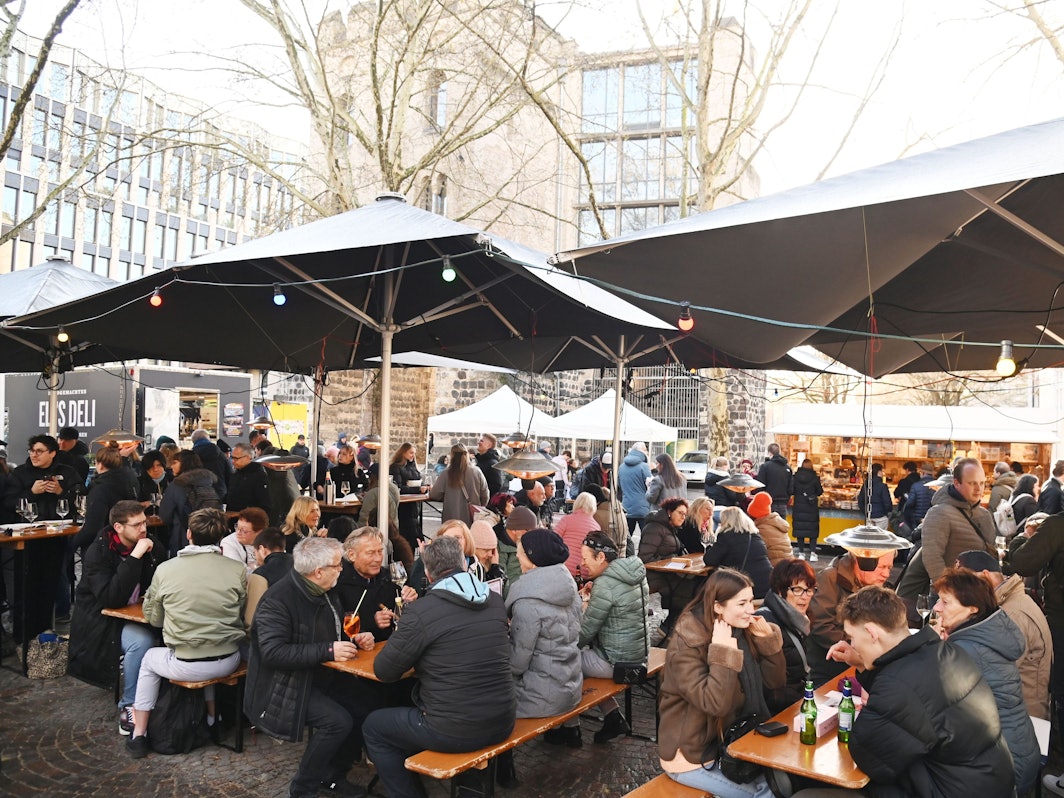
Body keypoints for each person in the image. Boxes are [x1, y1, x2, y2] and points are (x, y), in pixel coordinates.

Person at [795, 586, 1014, 798]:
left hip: (947, 789)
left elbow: (868, 755)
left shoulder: (900, 684)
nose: (852, 644)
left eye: (852, 637)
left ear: (872, 633)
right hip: (986, 781)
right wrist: (862, 664)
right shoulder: (943, 652)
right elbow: (902, 701)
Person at [363, 535, 516, 798]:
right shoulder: (494, 601)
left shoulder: (422, 611)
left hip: (453, 728)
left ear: (429, 574)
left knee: (374, 727)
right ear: (464, 564)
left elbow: (384, 671)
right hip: (503, 718)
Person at [244, 536, 375, 798]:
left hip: (321, 673)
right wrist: (328, 650)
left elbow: (330, 632)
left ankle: (333, 774)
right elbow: (272, 653)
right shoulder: (277, 600)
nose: (342, 569)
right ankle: (303, 788)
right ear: (318, 572)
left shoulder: (326, 590)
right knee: (336, 722)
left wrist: (354, 640)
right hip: (283, 684)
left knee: (367, 706)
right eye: (338, 566)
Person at [126, 508, 247, 758]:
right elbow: (240, 611)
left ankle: (139, 733)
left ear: (189, 534)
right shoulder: (237, 570)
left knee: (148, 660)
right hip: (229, 659)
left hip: (187, 663)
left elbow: (155, 619)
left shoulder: (166, 569)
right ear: (220, 536)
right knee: (208, 643)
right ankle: (213, 718)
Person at [658, 568, 787, 798]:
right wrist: (723, 654)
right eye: (742, 603)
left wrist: (767, 642)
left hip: (734, 742)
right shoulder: (688, 644)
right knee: (766, 792)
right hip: (692, 756)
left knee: (784, 781)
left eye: (751, 600)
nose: (751, 610)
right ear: (718, 607)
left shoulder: (739, 630)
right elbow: (716, 703)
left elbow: (775, 682)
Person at [929, 569, 1040, 794]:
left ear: (972, 609)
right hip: (1021, 751)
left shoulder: (963, 650)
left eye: (945, 602)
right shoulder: (988, 633)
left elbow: (928, 705)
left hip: (1002, 768)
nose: (937, 608)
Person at [68, 500, 164, 736]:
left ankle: (165, 698)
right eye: (137, 524)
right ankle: (130, 704)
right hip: (102, 619)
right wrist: (135, 557)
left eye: (145, 522)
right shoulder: (98, 553)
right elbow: (110, 598)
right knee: (140, 642)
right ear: (118, 528)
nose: (144, 529)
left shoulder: (150, 543)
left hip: (137, 612)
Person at [507, 528, 582, 748]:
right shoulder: (567, 588)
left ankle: (502, 767)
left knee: (487, 696)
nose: (517, 556)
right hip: (570, 686)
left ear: (532, 559)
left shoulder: (527, 602)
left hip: (542, 697)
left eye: (520, 552)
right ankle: (569, 731)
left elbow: (517, 664)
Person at [956, 549, 1051, 721]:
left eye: (964, 582)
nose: (959, 590)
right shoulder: (1008, 604)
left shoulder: (1012, 615)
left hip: (1023, 718)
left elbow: (993, 675)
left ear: (984, 576)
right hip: (1014, 713)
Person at [578, 531, 649, 744]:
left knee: (567, 658)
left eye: (585, 558)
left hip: (617, 663)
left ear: (601, 558)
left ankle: (568, 726)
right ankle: (613, 717)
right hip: (639, 654)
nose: (582, 563)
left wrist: (565, 644)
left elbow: (586, 632)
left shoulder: (605, 584)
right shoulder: (634, 573)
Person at [1007, 509, 1064, 762]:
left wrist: (1025, 535)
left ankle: (1053, 761)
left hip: (1061, 620)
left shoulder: (1056, 525)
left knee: (1053, 686)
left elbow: (1021, 562)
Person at [805, 550, 894, 684]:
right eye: (881, 567)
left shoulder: (876, 584)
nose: (886, 574)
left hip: (865, 663)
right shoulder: (829, 578)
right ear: (860, 562)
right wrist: (859, 646)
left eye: (889, 568)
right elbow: (821, 626)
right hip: (830, 668)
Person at [914, 458, 996, 584]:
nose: (978, 488)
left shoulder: (985, 515)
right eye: (972, 483)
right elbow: (932, 558)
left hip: (980, 591)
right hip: (952, 593)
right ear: (957, 483)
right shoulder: (939, 513)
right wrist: (948, 590)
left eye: (981, 483)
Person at [335, 526, 417, 643]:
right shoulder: (338, 583)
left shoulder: (389, 577)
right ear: (352, 555)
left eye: (380, 551)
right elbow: (334, 627)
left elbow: (403, 617)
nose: (378, 558)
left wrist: (408, 600)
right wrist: (371, 622)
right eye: (370, 553)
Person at [756, 558, 817, 712]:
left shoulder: (801, 618)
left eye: (809, 589)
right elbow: (769, 684)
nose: (805, 596)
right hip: (779, 706)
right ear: (779, 590)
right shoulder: (766, 622)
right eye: (797, 589)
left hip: (798, 697)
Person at [640, 497, 703, 631]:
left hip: (667, 571)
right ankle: (670, 626)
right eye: (680, 513)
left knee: (695, 583)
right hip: (654, 574)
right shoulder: (655, 528)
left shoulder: (670, 528)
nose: (683, 517)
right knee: (686, 587)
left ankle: (672, 624)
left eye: (685, 514)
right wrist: (671, 559)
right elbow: (645, 558)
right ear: (669, 512)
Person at [158, 449, 224, 556]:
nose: (171, 466)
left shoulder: (177, 485)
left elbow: (165, 516)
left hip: (184, 538)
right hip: (212, 534)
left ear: (185, 463)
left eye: (175, 462)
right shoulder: (211, 481)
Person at [75, 446, 139, 553]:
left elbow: (93, 527)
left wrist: (73, 543)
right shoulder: (130, 481)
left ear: (99, 464)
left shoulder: (100, 488)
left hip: (103, 546)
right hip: (125, 540)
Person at [3, 434, 80, 520]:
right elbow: (8, 503)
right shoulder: (19, 473)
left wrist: (60, 492)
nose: (34, 455)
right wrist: (32, 492)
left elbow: (82, 500)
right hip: (29, 527)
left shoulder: (68, 472)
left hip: (63, 526)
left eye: (39, 451)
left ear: (52, 453)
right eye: (31, 451)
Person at [702, 505, 772, 599]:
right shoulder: (755, 536)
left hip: (746, 588)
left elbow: (709, 560)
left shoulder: (726, 536)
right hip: (767, 586)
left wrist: (710, 547)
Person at [429, 443, 488, 525]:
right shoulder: (477, 471)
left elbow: (434, 494)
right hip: (472, 517)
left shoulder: (446, 473)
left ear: (452, 456)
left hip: (451, 518)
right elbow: (485, 494)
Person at [245, 527, 292, 625]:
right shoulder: (301, 568)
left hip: (272, 633)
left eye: (255, 553)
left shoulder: (261, 574)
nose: (256, 558)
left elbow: (251, 620)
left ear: (262, 550)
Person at [388, 442, 428, 551]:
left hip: (414, 507)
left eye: (414, 453)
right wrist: (418, 489)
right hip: (403, 508)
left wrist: (423, 487)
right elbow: (397, 488)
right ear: (403, 452)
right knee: (406, 538)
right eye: (411, 453)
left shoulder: (413, 467)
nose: (413, 455)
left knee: (414, 538)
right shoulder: (395, 467)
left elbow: (419, 480)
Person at [554, 491, 601, 578]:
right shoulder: (596, 527)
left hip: (563, 568)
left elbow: (552, 539)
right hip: (583, 572)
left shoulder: (567, 520)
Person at [745, 490, 792, 566]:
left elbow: (752, 552)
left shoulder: (761, 529)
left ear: (755, 516)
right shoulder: (775, 522)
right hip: (788, 565)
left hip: (776, 569)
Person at [497, 506, 537, 593]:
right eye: (528, 531)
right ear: (514, 529)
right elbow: (503, 586)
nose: (531, 535)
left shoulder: (522, 544)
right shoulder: (498, 550)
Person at [790, 458, 823, 560]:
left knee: (800, 530)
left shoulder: (795, 477)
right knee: (813, 530)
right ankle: (813, 553)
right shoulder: (815, 477)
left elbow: (791, 490)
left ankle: (801, 553)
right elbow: (820, 491)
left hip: (799, 506)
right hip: (811, 506)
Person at [226, 442, 271, 516]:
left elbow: (265, 507)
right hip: (231, 522)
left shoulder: (259, 476)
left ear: (247, 457)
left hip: (250, 523)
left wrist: (237, 514)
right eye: (232, 458)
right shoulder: (235, 474)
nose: (233, 461)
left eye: (236, 458)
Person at [221, 506, 269, 575]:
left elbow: (279, 567)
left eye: (244, 530)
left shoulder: (271, 541)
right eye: (237, 526)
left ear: (259, 532)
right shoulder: (228, 543)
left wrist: (253, 567)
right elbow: (240, 573)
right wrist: (259, 565)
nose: (238, 532)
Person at [618, 443, 652, 535]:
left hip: (626, 506)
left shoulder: (621, 467)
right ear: (642, 451)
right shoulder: (644, 467)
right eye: (645, 449)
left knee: (626, 538)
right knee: (646, 537)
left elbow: (619, 486)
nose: (647, 452)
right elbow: (650, 486)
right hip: (643, 507)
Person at [754, 442, 792, 517]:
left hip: (768, 503)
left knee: (768, 526)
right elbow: (790, 488)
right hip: (783, 504)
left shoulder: (765, 467)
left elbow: (759, 485)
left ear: (769, 453)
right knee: (781, 526)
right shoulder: (787, 468)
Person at [190, 428, 231, 498]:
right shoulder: (221, 455)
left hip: (196, 494)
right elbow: (229, 475)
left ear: (193, 441)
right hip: (218, 494)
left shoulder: (190, 456)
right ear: (208, 439)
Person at [470, 520, 506, 587]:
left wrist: (495, 567)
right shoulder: (469, 572)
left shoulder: (493, 565)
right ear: (473, 548)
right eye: (485, 550)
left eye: (492, 550)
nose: (490, 554)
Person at [901, 461, 936, 530]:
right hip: (933, 519)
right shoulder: (938, 486)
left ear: (923, 473)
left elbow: (910, 503)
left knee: (917, 538)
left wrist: (906, 497)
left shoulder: (916, 486)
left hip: (918, 519)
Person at [857, 463, 892, 529]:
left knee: (870, 538)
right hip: (881, 518)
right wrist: (885, 513)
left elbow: (860, 501)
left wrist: (866, 512)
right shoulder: (883, 486)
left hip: (869, 517)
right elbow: (887, 503)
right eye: (882, 471)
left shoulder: (865, 485)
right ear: (879, 472)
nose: (883, 473)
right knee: (881, 538)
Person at [473, 433, 505, 497]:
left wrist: (483, 497)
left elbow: (496, 486)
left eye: (481, 441)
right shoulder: (481, 461)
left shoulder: (493, 464)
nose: (478, 442)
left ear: (489, 445)